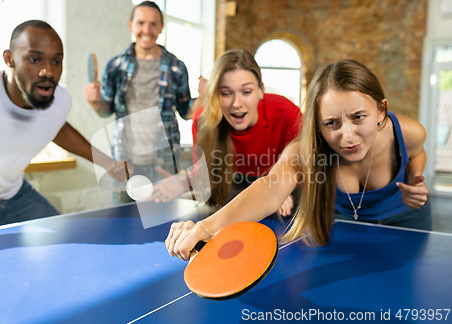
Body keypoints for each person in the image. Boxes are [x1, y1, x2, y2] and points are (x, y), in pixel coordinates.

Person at [166, 59, 431, 261]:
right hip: (341, 224)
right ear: (317, 123)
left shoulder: (407, 133)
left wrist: (413, 178)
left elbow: (416, 153)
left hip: (405, 221)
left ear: (381, 110)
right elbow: (270, 187)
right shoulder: (305, 152)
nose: (347, 135)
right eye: (332, 123)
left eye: (358, 117)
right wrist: (204, 228)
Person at [0, 20, 124, 235]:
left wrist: (107, 162)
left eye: (56, 61)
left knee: (64, 241)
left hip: (16, 196)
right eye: (34, 59)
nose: (48, 71)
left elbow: (57, 128)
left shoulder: (59, 101)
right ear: (9, 59)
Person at [150, 49, 302, 216]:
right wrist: (183, 183)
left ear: (260, 90)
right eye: (226, 93)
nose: (236, 103)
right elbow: (203, 174)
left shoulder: (288, 114)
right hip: (232, 189)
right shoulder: (203, 121)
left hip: (284, 189)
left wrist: (281, 187)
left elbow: (301, 167)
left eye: (246, 92)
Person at [83, 0, 202, 204]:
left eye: (153, 24)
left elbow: (186, 111)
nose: (147, 30)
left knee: (163, 226)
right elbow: (105, 110)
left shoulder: (177, 67)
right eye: (141, 23)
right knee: (122, 227)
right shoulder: (115, 66)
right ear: (131, 25)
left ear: (161, 27)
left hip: (164, 163)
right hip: (124, 164)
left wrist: (205, 97)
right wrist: (94, 102)